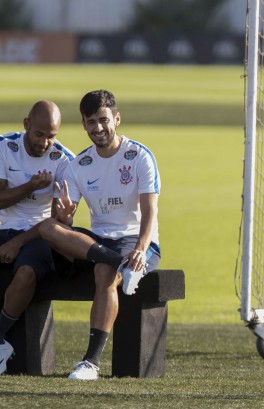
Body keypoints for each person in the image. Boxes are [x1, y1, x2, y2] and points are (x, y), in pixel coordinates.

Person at [38, 89, 162, 380]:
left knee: (103, 273)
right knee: (47, 227)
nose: (98, 128)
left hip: (135, 240)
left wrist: (142, 249)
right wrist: (65, 216)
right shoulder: (78, 165)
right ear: (83, 124)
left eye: (103, 120)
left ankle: (90, 363)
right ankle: (120, 263)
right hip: (101, 242)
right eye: (91, 121)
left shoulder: (140, 156)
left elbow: (150, 211)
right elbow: (64, 225)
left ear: (116, 119)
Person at [0, 101, 75, 375]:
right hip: (3, 227)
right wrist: (31, 185)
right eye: (39, 134)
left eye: (52, 135)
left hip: (38, 234)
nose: (45, 142)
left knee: (27, 272)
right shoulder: (4, 146)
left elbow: (55, 221)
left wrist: (18, 242)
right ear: (26, 125)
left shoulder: (64, 160)